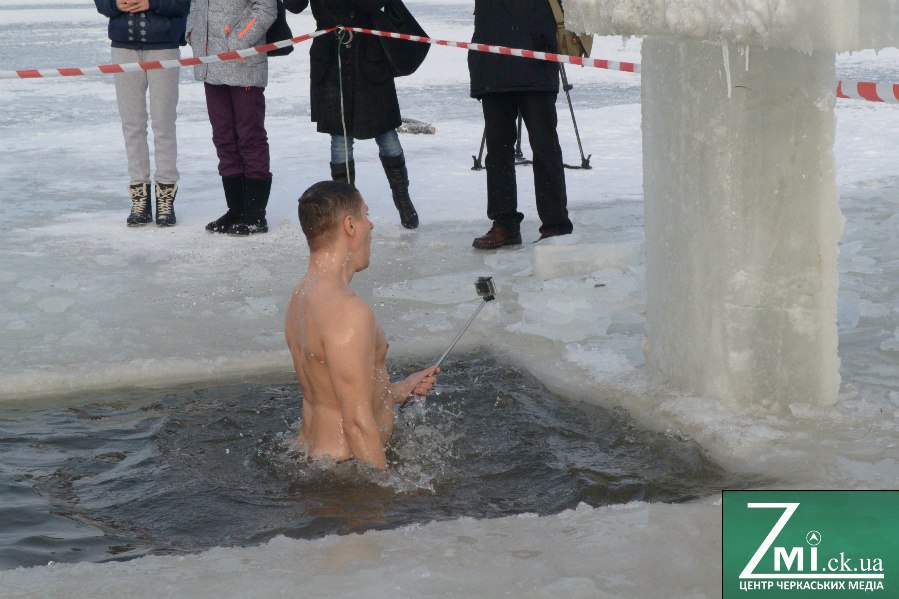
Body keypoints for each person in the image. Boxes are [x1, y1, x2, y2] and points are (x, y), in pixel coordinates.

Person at [285, 181, 439, 469]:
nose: (371, 225)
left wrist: (398, 390)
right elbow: (355, 423)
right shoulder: (348, 311)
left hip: (315, 461)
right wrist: (382, 496)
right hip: (348, 472)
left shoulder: (301, 295)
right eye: (366, 215)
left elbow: (330, 393)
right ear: (350, 225)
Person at [284, 0, 420, 229]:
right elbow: (294, 5)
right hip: (330, 58)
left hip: (369, 58)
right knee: (339, 139)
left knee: (387, 135)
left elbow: (373, 4)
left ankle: (403, 201)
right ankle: (345, 211)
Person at [468, 0, 574, 249]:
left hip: (536, 53)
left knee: (544, 146)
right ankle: (504, 223)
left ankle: (555, 226)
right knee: (497, 149)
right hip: (492, 59)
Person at [94, 0, 189, 227]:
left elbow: (183, 4)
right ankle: (140, 195)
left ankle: (165, 194)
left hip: (164, 47)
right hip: (123, 48)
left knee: (163, 123)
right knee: (132, 124)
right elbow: (101, 3)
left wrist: (151, 2)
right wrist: (115, 4)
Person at [187, 0, 277, 236]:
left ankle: (255, 214)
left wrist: (237, 41)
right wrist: (193, 32)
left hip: (243, 62)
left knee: (250, 137)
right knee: (223, 138)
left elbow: (267, 8)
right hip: (209, 63)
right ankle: (236, 210)